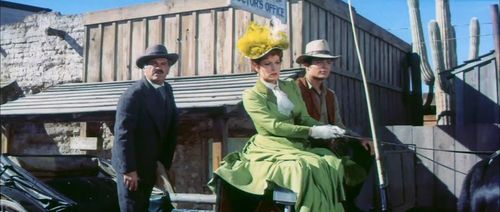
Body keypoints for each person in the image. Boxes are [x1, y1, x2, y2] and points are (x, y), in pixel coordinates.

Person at [210, 20, 348, 211]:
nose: (274, 68)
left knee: (329, 160)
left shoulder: (290, 86)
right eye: (267, 64)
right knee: (303, 166)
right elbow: (273, 126)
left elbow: (303, 116)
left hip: (296, 144)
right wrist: (313, 131)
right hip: (270, 145)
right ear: (256, 67)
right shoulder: (252, 95)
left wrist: (325, 128)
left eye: (277, 63)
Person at [295, 39, 374, 210]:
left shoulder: (330, 95)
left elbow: (339, 124)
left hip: (331, 142)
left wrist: (360, 139)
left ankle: (347, 199)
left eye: (328, 62)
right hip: (305, 143)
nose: (324, 66)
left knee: (366, 151)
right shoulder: (295, 89)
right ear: (307, 65)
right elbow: (295, 122)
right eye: (318, 62)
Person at [112, 44, 178, 211]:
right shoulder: (133, 95)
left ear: (168, 68)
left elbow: (170, 128)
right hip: (133, 171)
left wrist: (164, 167)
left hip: (152, 167)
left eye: (163, 63)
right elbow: (122, 135)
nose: (159, 67)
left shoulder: (167, 90)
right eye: (154, 63)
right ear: (144, 68)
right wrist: (129, 170)